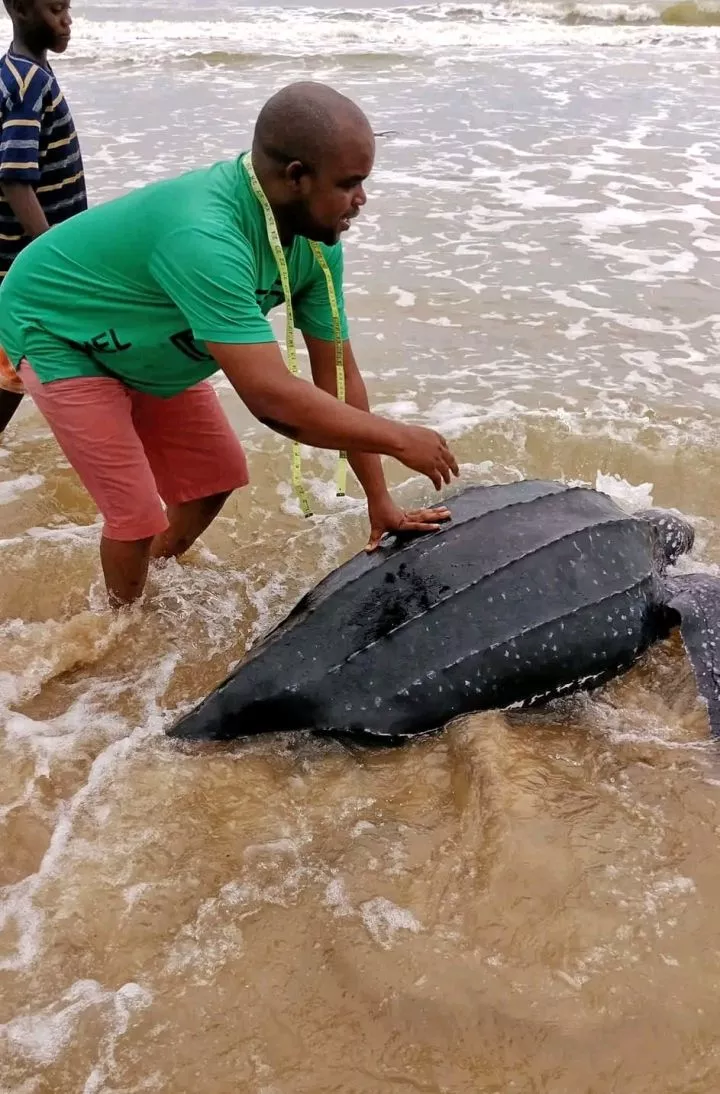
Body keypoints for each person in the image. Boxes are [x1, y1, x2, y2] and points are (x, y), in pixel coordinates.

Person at [0, 81, 459, 607]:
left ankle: (151, 576)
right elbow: (270, 399)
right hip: (57, 322)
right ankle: (116, 631)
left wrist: (380, 502)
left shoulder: (315, 242)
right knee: (134, 516)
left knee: (214, 478)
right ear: (296, 178)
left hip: (146, 327)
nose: (362, 198)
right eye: (349, 183)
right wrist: (398, 438)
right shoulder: (207, 237)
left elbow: (336, 377)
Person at [0, 0, 87, 434]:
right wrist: (49, 253)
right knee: (13, 365)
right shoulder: (30, 80)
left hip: (19, 260)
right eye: (55, 8)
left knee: (14, 364)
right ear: (19, 9)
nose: (67, 20)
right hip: (26, 262)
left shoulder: (17, 70)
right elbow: (15, 179)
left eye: (68, 7)